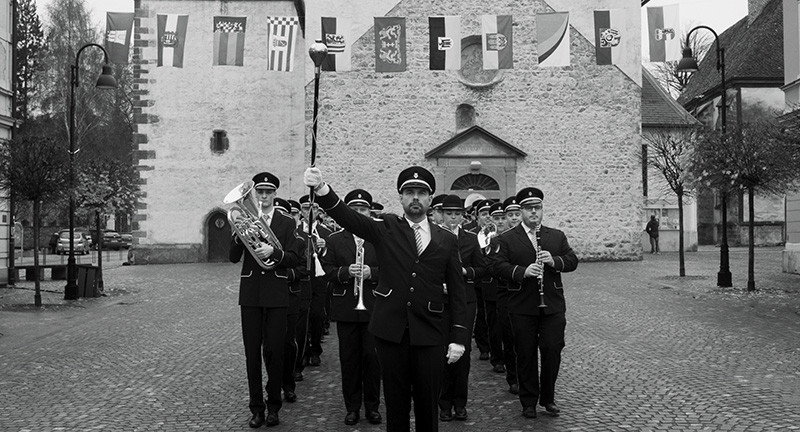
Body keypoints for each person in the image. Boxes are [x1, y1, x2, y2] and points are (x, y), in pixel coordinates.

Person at [304, 165, 469, 432]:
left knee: (428, 406)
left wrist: (459, 336)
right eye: (409, 192)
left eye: (421, 193)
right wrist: (322, 189)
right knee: (395, 403)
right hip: (391, 332)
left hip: (429, 331)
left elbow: (458, 291)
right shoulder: (387, 228)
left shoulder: (447, 240)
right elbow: (349, 218)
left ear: (430, 199)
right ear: (401, 198)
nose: (415, 197)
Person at [491, 187, 578, 420]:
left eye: (537, 208)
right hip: (522, 305)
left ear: (541, 210)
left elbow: (572, 260)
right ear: (521, 211)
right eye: (529, 209)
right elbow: (497, 266)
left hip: (552, 304)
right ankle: (528, 401)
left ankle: (548, 398)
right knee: (526, 353)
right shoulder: (506, 239)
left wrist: (554, 260)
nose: (533, 213)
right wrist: (522, 271)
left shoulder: (556, 236)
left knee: (552, 349)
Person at [229, 172, 306, 428]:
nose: (262, 197)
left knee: (275, 351)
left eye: (267, 193)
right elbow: (232, 257)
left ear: (274, 194)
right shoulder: (244, 219)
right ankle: (256, 409)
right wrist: (237, 234)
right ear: (254, 195)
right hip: (250, 293)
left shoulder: (286, 222)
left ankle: (274, 406)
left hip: (276, 293)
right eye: (259, 193)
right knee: (252, 353)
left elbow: (295, 257)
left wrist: (275, 251)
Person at [321, 189, 383, 426]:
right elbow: (325, 271)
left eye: (363, 210)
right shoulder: (335, 240)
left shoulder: (379, 239)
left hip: (373, 307)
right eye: (354, 210)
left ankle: (372, 407)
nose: (358, 214)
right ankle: (352, 408)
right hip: (347, 308)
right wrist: (346, 272)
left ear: (370, 212)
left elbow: (392, 270)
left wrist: (372, 273)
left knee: (372, 359)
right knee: (349, 360)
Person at [437, 194, 486, 422]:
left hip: (465, 300)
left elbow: (483, 269)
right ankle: (443, 403)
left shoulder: (470, 238)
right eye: (449, 214)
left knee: (462, 352)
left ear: (463, 216)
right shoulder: (433, 237)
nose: (453, 218)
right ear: (442, 214)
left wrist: (466, 273)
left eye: (457, 214)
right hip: (441, 301)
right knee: (442, 352)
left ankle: (460, 403)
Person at [299, 195, 332, 367]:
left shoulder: (326, 233)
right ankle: (303, 351)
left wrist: (324, 249)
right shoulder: (295, 232)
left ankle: (315, 349)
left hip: (319, 280)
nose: (309, 212)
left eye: (313, 208)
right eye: (305, 208)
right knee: (302, 317)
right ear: (300, 211)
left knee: (317, 315)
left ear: (318, 211)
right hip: (302, 279)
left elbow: (332, 260)